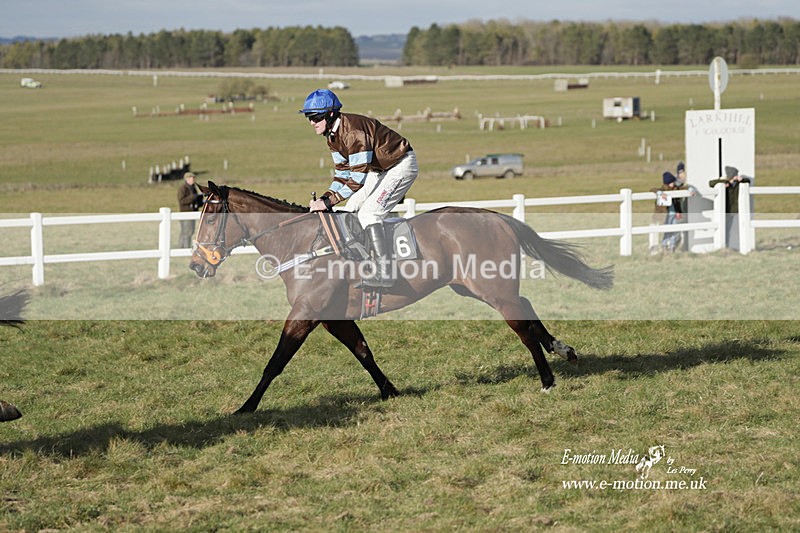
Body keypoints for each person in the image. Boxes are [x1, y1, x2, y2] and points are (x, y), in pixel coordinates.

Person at [300, 89, 418, 288]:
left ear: (330, 114)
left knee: (368, 215)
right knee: (351, 208)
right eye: (308, 117)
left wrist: (329, 202)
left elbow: (356, 178)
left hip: (400, 166)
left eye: (316, 117)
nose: (312, 122)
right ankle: (363, 262)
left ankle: (385, 272)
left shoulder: (353, 132)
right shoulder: (332, 135)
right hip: (379, 170)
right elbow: (342, 173)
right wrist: (325, 198)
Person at [709, 165, 752, 248]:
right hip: (724, 209)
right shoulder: (725, 183)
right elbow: (711, 183)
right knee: (724, 229)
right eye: (736, 174)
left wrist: (742, 179)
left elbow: (748, 181)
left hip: (732, 210)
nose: (737, 176)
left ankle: (728, 245)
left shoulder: (738, 183)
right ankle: (724, 245)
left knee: (729, 229)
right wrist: (722, 181)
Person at [651, 171, 683, 253]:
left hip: (674, 214)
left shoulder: (675, 189)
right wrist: (660, 193)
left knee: (674, 229)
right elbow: (653, 189)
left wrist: (678, 212)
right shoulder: (662, 190)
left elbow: (677, 201)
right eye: (672, 182)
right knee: (667, 230)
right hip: (666, 215)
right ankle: (664, 245)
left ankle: (672, 246)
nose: (674, 183)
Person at [177, 172, 203, 249]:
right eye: (192, 178)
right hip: (185, 213)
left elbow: (195, 200)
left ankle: (183, 247)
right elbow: (182, 201)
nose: (194, 179)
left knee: (190, 231)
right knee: (186, 232)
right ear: (187, 179)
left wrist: (200, 200)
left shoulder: (193, 188)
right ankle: (184, 248)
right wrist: (193, 197)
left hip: (192, 213)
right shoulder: (182, 188)